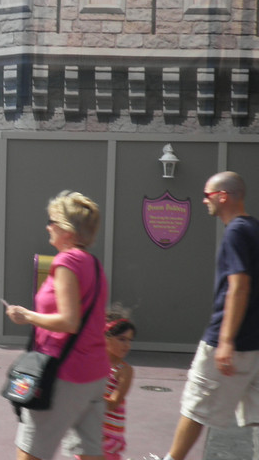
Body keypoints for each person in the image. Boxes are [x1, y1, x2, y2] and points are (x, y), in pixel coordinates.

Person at [156, 171, 259, 460]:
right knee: (256, 415)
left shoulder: (236, 232)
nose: (204, 200)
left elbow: (239, 286)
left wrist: (226, 340)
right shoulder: (254, 229)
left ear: (223, 196)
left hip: (230, 342)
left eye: (207, 195)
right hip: (254, 345)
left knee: (196, 406)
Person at [5, 190, 108, 460]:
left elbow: (68, 321)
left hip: (64, 374)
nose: (48, 227)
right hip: (95, 373)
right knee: (89, 452)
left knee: (31, 451)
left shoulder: (66, 261)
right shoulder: (93, 264)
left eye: (52, 222)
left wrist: (26, 316)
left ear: (67, 231)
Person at [83, 308, 135, 460]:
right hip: (88, 428)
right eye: (121, 339)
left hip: (108, 435)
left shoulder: (124, 370)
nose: (127, 345)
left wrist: (83, 397)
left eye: (129, 340)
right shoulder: (91, 363)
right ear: (105, 337)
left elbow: (113, 403)